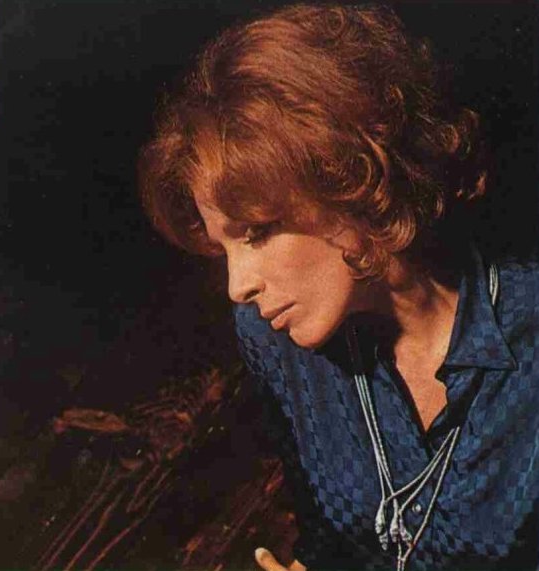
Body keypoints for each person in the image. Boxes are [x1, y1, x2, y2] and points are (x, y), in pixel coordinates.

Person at [140, 4, 539, 570]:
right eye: (223, 246)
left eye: (257, 233)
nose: (237, 286)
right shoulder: (274, 338)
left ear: (349, 180)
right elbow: (330, 537)